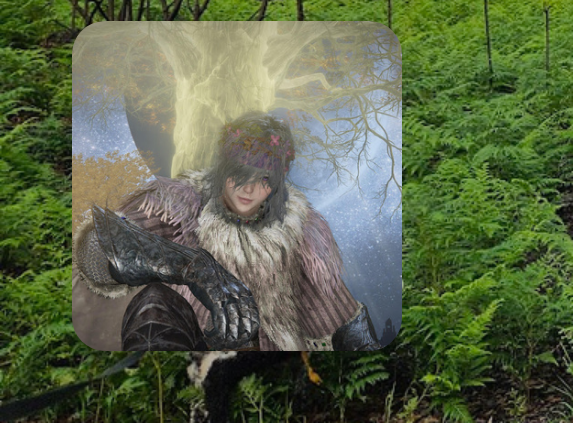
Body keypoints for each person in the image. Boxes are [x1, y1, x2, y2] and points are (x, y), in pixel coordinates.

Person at [74, 112, 381, 352]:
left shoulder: (299, 231)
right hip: (191, 348)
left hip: (265, 363)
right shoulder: (180, 204)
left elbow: (344, 324)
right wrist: (194, 268)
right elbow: (99, 248)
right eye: (240, 174)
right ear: (224, 168)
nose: (249, 188)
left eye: (263, 179)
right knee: (155, 301)